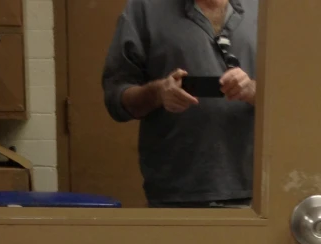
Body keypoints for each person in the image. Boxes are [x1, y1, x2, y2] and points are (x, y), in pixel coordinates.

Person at [102, 0, 258, 208]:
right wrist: (158, 93)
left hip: (257, 190)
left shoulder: (267, 9)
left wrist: (256, 92)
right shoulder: (145, 9)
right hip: (176, 192)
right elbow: (116, 98)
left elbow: (300, 94)